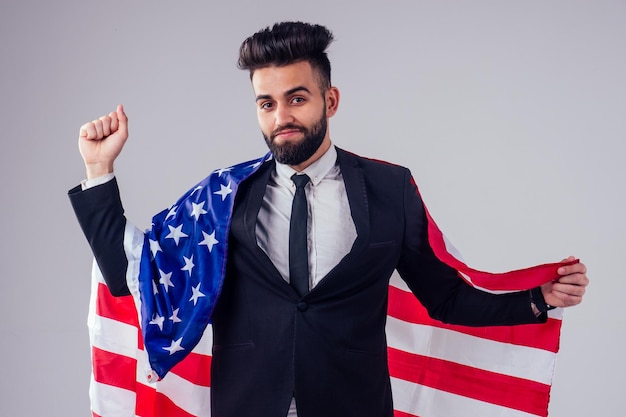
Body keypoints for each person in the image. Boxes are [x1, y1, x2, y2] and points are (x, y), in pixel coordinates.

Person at [69, 21, 588, 417]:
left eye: (296, 98)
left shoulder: (390, 189)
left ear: (329, 100)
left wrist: (536, 300)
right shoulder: (223, 196)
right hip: (248, 405)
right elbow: (128, 273)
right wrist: (99, 169)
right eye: (266, 104)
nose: (281, 118)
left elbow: (445, 297)